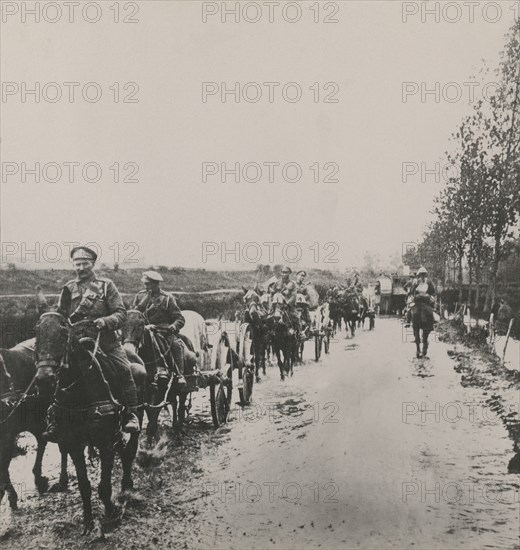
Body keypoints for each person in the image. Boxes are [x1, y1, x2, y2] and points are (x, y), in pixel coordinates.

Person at [43, 246, 140, 441]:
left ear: (93, 264)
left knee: (123, 370)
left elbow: (121, 314)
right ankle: (54, 418)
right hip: (76, 343)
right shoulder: (68, 289)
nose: (80, 268)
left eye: (84, 263)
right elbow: (61, 317)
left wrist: (105, 321)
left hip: (105, 342)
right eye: (77, 264)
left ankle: (131, 414)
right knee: (52, 371)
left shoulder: (106, 286)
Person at [132, 271, 187, 384]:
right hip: (144, 330)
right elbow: (134, 315)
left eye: (148, 284)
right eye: (145, 284)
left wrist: (173, 327)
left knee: (176, 345)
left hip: (163, 331)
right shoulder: (140, 296)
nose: (146, 286)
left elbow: (179, 319)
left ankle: (180, 374)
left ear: (156, 284)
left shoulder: (167, 298)